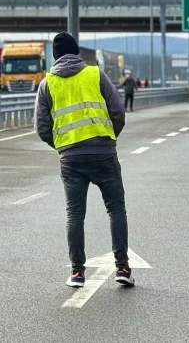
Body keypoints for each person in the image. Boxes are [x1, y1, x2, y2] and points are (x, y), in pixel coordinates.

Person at [34, 32, 135, 288]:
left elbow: (42, 127)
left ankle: (77, 272)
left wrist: (62, 145)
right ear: (77, 52)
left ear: (55, 57)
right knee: (116, 208)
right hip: (104, 153)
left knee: (75, 214)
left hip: (70, 158)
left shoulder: (47, 84)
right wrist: (109, 137)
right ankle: (123, 268)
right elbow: (118, 111)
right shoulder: (95, 74)